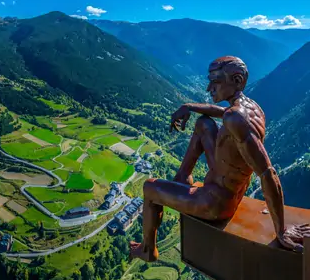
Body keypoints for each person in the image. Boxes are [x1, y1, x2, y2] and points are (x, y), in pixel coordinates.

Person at [130, 56, 310, 262]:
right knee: (203, 124)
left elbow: (268, 172)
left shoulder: (236, 119)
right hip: (226, 185)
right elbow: (223, 112)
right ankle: (182, 179)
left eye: (215, 82)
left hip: (215, 203)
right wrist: (189, 106)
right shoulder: (250, 108)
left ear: (237, 80)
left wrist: (281, 230)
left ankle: (147, 250)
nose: (209, 88)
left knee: (149, 187)